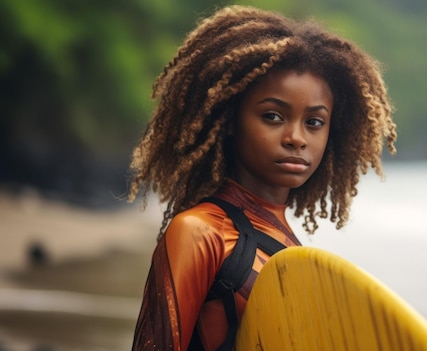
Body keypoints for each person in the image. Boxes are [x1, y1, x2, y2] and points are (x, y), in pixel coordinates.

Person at [127, 5, 397, 351]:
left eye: (314, 122)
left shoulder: (289, 247)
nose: (296, 137)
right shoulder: (200, 232)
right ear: (228, 123)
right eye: (272, 116)